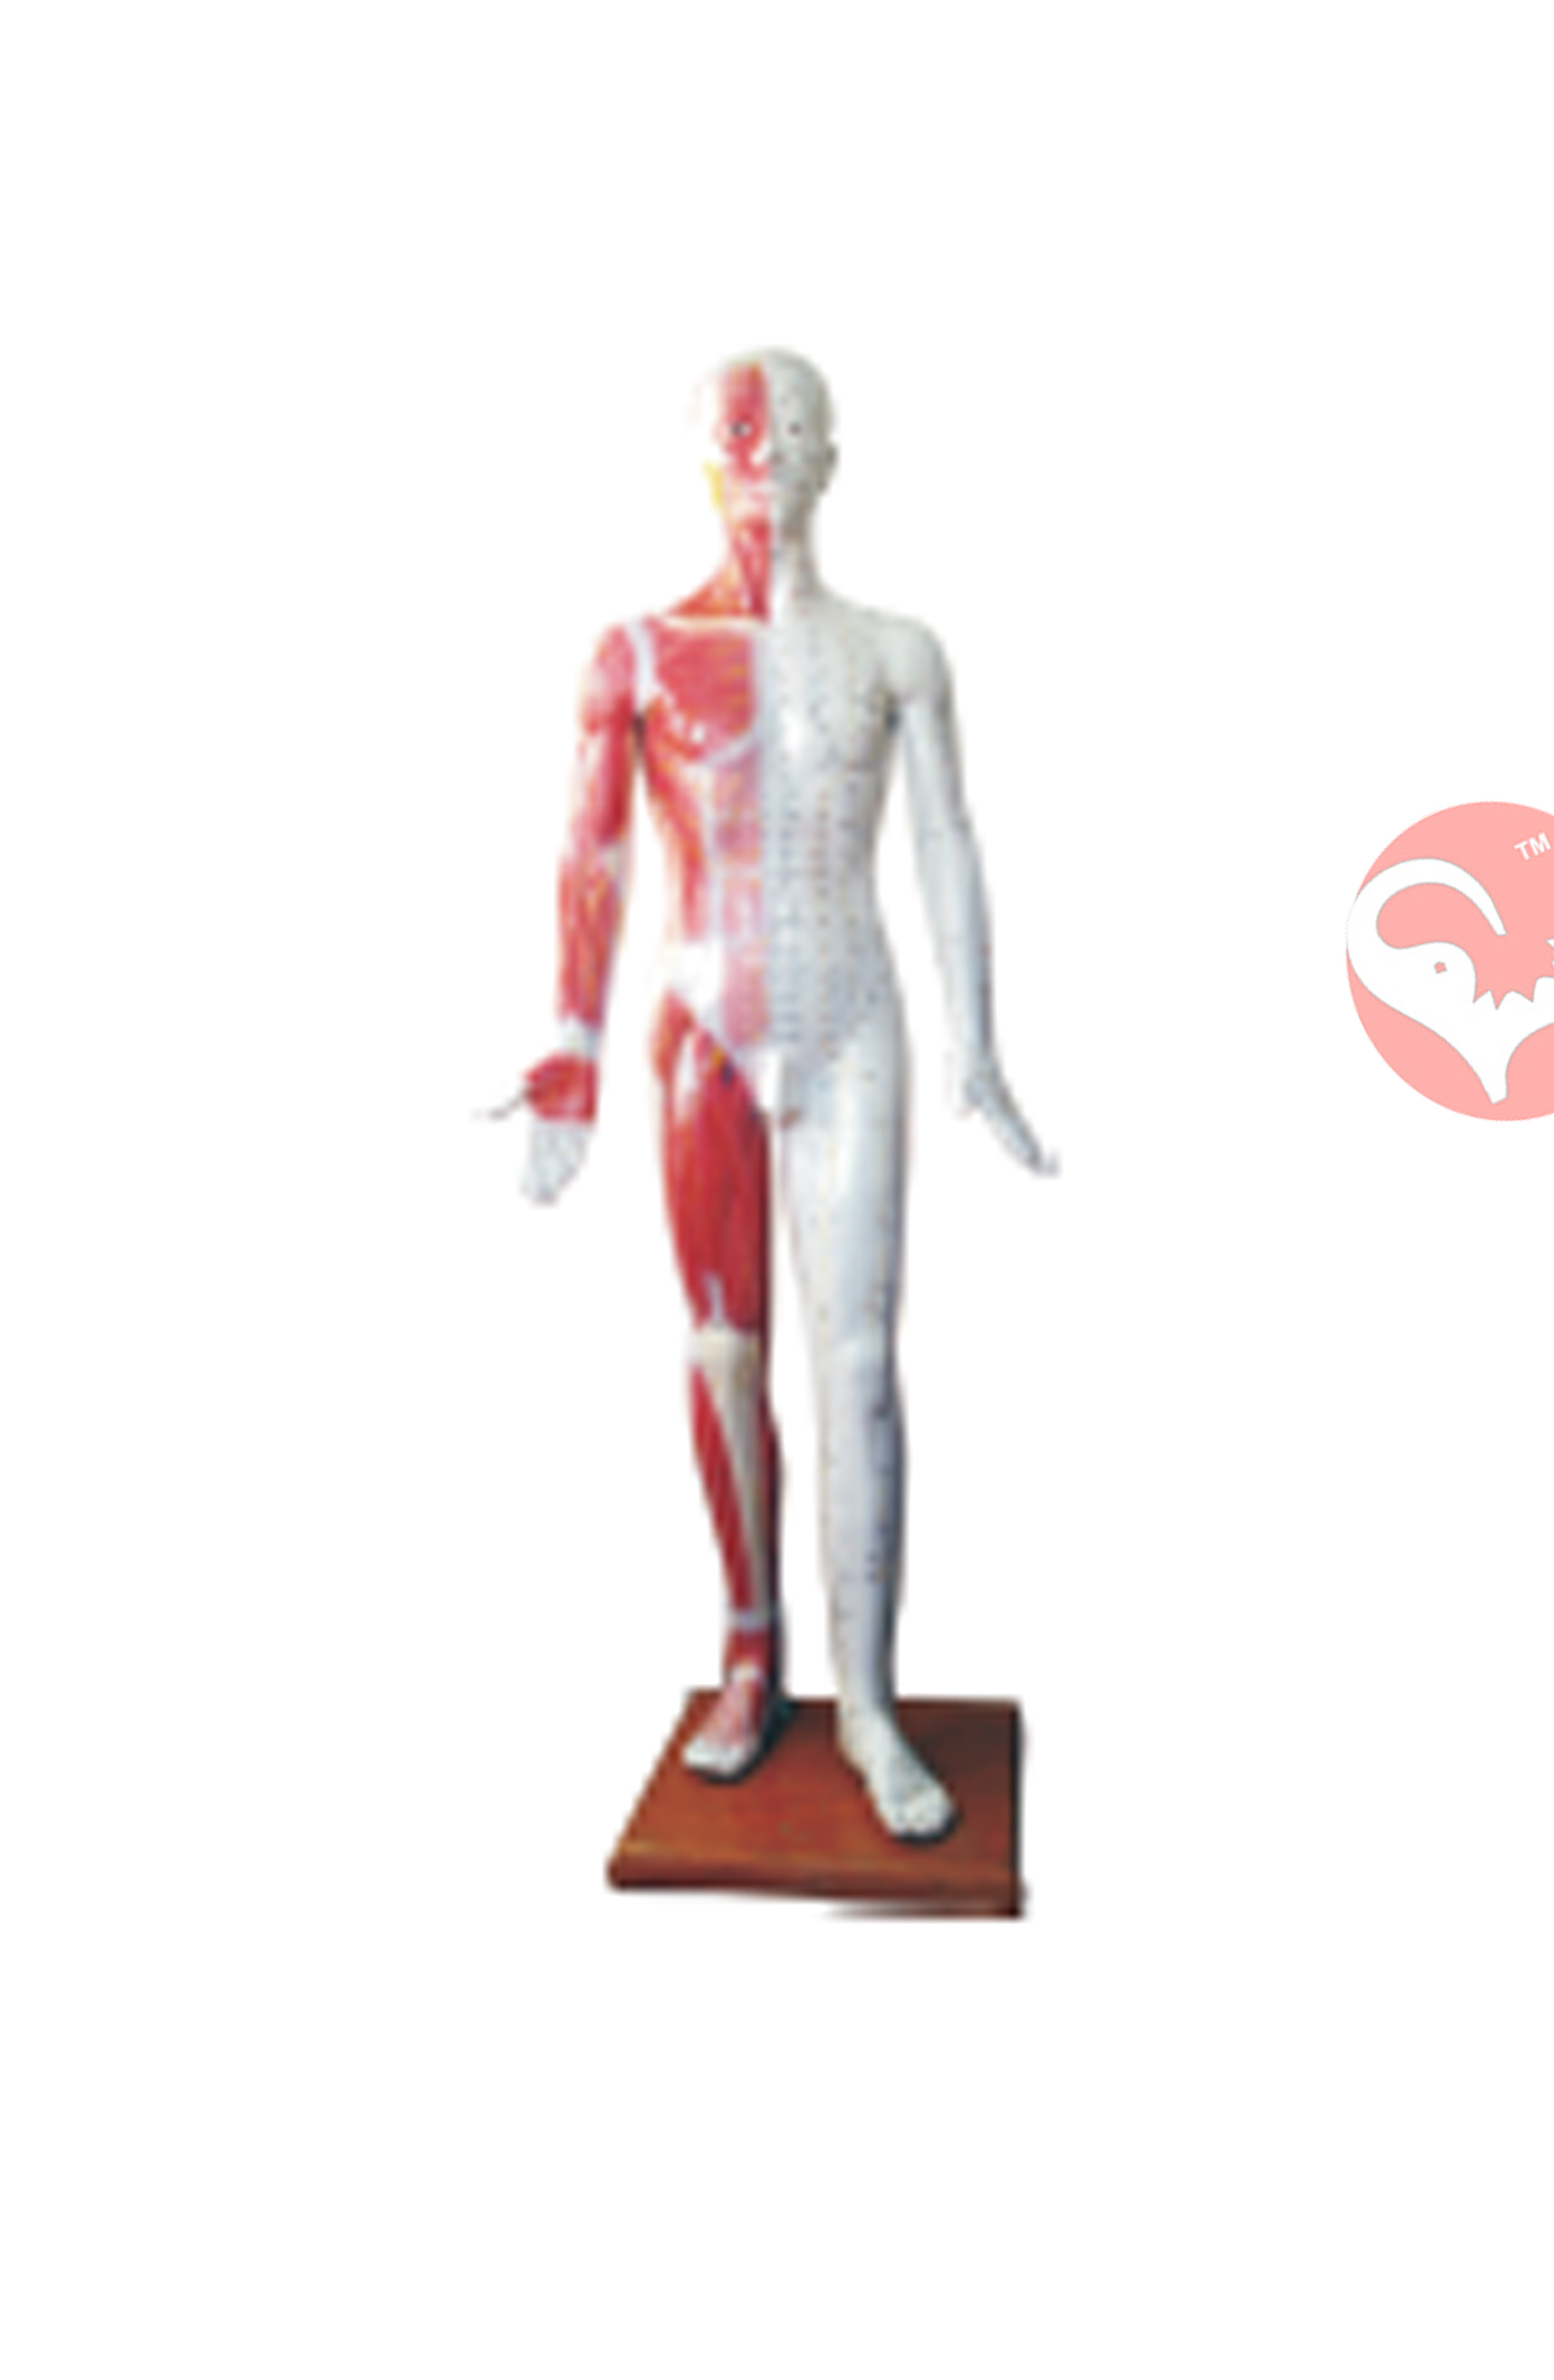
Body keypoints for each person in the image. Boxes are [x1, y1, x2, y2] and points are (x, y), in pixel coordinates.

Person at [512, 350, 1050, 1840]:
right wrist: (567, 1052)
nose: (765, 455)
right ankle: (752, 1652)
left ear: (832, 459)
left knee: (860, 1364)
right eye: (741, 432)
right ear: (705, 459)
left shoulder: (898, 652)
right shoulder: (634, 655)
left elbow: (946, 839)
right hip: (704, 1025)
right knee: (725, 1350)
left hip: (850, 1021)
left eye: (792, 430)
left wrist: (980, 1044)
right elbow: (591, 853)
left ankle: (868, 1703)